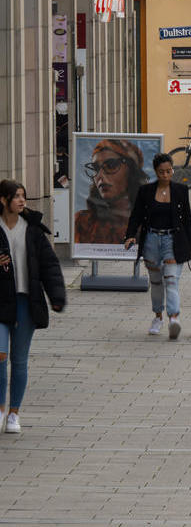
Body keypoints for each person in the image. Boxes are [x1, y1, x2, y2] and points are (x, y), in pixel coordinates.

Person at [0, 179, 66, 434]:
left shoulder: (33, 229)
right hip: (1, 301)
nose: (21, 200)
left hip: (26, 301)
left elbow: (49, 265)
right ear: (3, 200)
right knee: (1, 355)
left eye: (23, 196)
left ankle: (14, 413)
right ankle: (1, 408)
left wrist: (57, 296)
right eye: (16, 196)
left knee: (19, 360)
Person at [124, 153, 191, 338]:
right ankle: (158, 317)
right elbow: (136, 215)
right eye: (161, 172)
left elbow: (187, 219)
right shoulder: (146, 191)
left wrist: (190, 244)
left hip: (173, 240)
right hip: (152, 240)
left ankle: (174, 319)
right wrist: (130, 236)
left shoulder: (181, 190)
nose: (165, 175)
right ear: (155, 172)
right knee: (156, 282)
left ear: (173, 170)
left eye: (169, 171)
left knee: (171, 280)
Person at [75, 139, 147, 245]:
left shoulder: (147, 220)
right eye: (95, 168)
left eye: (111, 166)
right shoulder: (83, 222)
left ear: (131, 170)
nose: (100, 176)